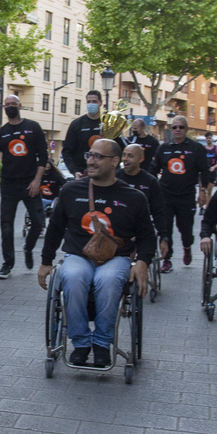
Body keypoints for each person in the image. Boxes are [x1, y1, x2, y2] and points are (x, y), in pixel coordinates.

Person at [38, 139, 154, 367]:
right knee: (72, 277)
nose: (91, 160)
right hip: (78, 255)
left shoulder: (134, 198)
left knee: (108, 280)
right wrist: (45, 261)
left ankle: (102, 343)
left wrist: (142, 263)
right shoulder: (71, 190)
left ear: (114, 162)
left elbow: (148, 237)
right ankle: (81, 343)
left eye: (98, 157)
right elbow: (55, 229)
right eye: (89, 155)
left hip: (116, 258)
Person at [0, 94, 48, 278]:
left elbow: (43, 156)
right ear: (3, 108)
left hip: (30, 184)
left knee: (38, 222)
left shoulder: (32, 127)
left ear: (20, 106)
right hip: (9, 185)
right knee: (6, 226)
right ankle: (7, 264)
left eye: (14, 104)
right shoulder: (1, 133)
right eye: (7, 104)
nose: (10, 106)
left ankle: (28, 247)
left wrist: (37, 180)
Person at [150, 115, 209, 271]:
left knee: (186, 229)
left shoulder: (196, 148)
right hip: (166, 196)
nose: (177, 130)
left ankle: (187, 247)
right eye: (174, 127)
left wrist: (203, 191)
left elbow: (205, 171)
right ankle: (167, 258)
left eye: (181, 127)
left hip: (186, 195)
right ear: (171, 129)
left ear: (186, 129)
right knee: (165, 228)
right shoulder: (163, 148)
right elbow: (153, 171)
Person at [116, 144, 169, 260]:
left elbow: (159, 211)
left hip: (141, 228)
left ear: (141, 159)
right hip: (118, 229)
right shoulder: (115, 178)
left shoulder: (150, 181)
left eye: (130, 156)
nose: (125, 159)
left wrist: (163, 237)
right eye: (124, 155)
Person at [61, 90, 105, 178]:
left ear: (100, 103)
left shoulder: (108, 123)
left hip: (103, 174)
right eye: (89, 102)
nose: (91, 104)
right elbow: (66, 152)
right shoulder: (76, 124)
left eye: (94, 101)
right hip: (82, 173)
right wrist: (74, 171)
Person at [200, 132, 217, 213]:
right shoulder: (202, 149)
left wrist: (214, 167)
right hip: (204, 172)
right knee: (202, 190)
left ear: (212, 138)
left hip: (212, 172)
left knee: (209, 191)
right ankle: (201, 207)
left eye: (209, 138)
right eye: (207, 138)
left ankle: (207, 208)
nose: (208, 140)